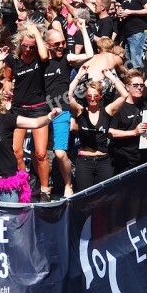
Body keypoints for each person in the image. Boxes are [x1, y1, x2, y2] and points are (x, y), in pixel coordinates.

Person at [43, 24, 94, 197]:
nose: (61, 46)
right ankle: (44, 186)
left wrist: (83, 29)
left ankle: (68, 185)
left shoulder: (66, 57)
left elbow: (89, 55)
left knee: (59, 152)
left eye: (63, 42)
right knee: (39, 153)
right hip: (41, 112)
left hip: (62, 110)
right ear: (47, 44)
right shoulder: (41, 61)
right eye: (57, 44)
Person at [3, 24, 52, 201]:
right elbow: (7, 79)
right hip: (18, 109)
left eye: (32, 46)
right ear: (19, 44)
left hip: (39, 107)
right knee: (16, 152)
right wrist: (7, 90)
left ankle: (45, 190)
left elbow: (45, 54)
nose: (29, 49)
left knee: (40, 153)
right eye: (25, 46)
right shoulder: (12, 59)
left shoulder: (40, 57)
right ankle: (25, 188)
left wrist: (37, 34)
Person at [69, 69, 129, 191]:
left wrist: (111, 77)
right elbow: (69, 96)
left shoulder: (107, 111)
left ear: (100, 97)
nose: (92, 99)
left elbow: (125, 95)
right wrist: (79, 76)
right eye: (89, 96)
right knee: (83, 198)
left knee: (104, 197)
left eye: (95, 96)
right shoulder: (81, 111)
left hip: (103, 160)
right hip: (84, 161)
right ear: (85, 97)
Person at [108, 70, 147, 174]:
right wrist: (134, 132)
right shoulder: (119, 106)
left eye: (141, 85)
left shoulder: (143, 103)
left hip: (141, 157)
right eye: (135, 85)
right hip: (123, 160)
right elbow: (110, 132)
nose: (139, 88)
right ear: (127, 87)